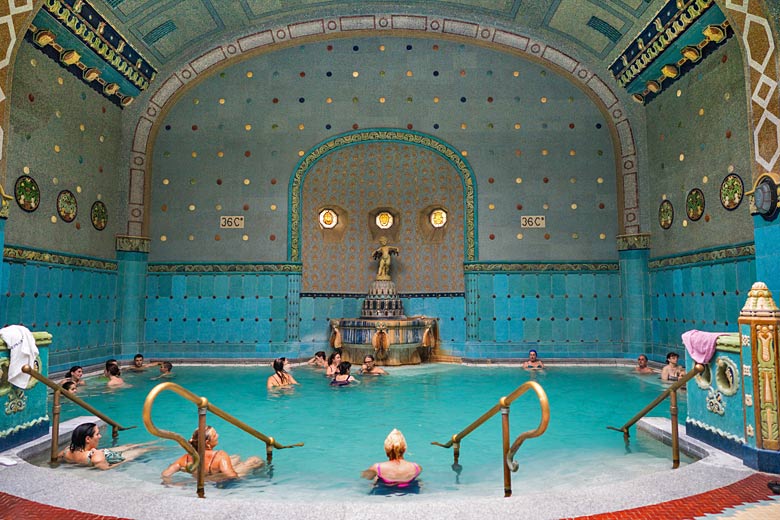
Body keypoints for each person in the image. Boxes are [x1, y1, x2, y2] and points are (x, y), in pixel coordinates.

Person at [161, 425, 263, 480]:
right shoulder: (220, 455)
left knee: (236, 457)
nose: (218, 435)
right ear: (207, 443)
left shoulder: (186, 458)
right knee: (255, 460)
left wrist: (177, 484)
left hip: (202, 478)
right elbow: (231, 476)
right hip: (218, 481)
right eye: (214, 435)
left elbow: (165, 474)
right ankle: (262, 478)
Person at [58, 422, 152, 470]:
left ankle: (154, 443)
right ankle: (160, 444)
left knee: (129, 445)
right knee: (143, 450)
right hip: (104, 456)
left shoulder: (67, 451)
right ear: (87, 439)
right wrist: (127, 460)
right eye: (97, 434)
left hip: (99, 453)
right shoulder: (95, 457)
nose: (100, 436)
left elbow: (56, 458)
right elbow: (107, 467)